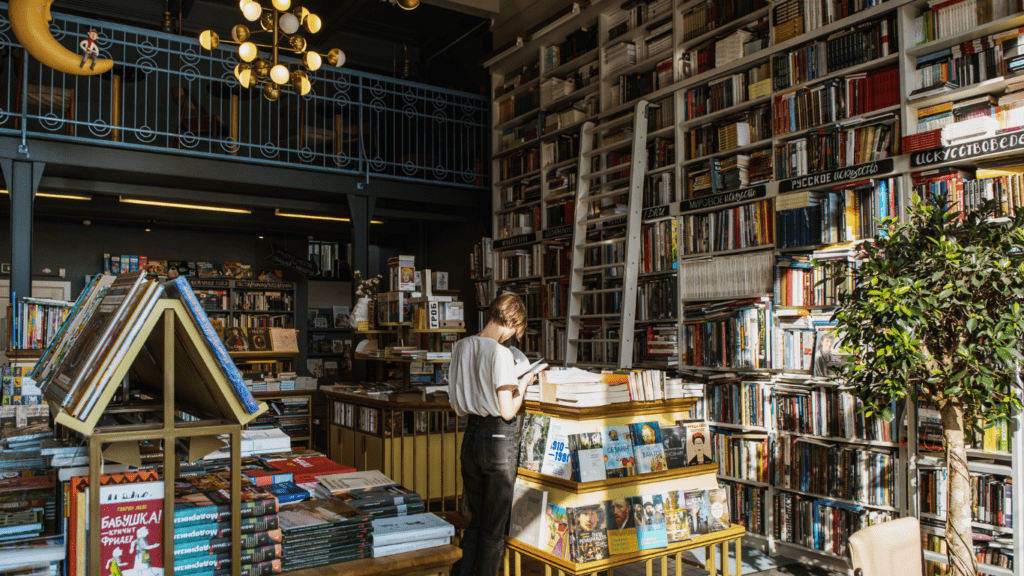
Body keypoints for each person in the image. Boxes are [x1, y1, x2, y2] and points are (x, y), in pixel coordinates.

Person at [450, 292, 535, 576]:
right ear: (511, 320)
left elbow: (458, 404)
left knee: (475, 522)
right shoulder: (500, 354)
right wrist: (523, 384)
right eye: (516, 329)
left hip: (471, 435)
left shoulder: (461, 346)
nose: (513, 336)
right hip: (498, 439)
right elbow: (507, 411)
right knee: (494, 530)